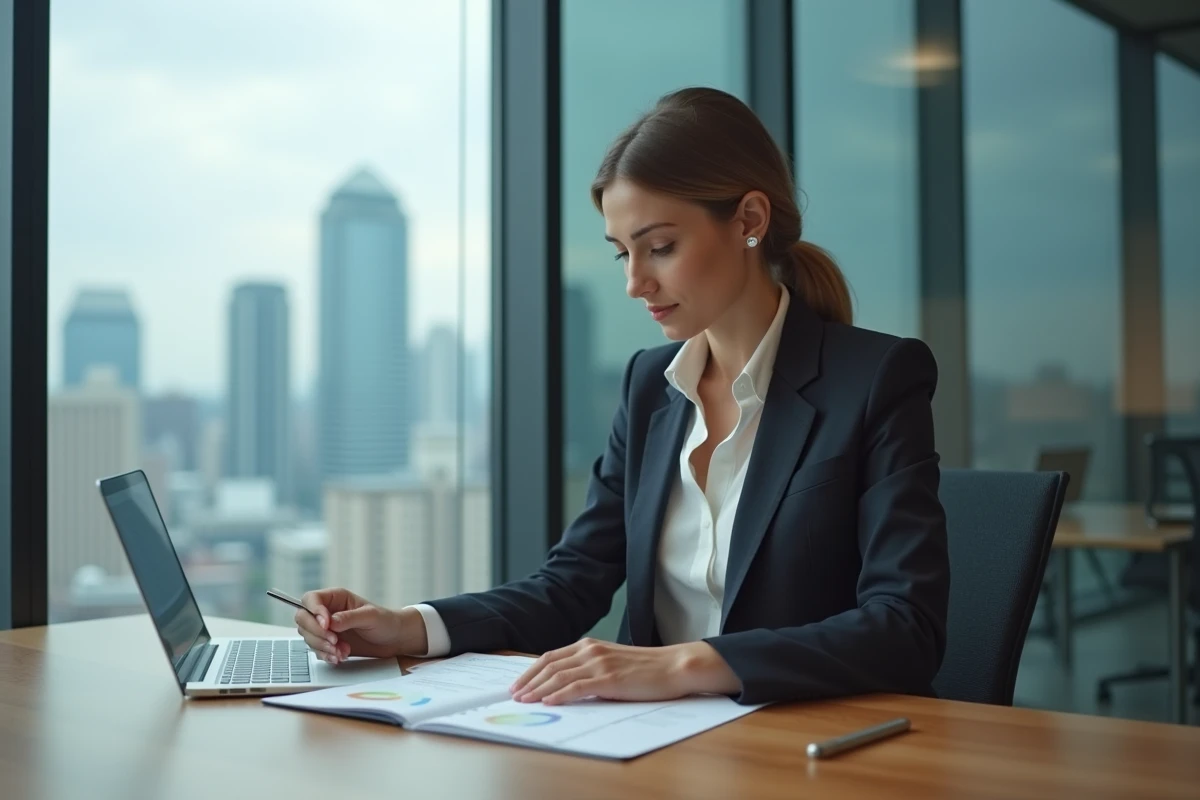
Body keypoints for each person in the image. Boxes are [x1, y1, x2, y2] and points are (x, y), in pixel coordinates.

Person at [296, 87, 950, 708]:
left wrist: (682, 664)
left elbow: (903, 627)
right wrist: (407, 626)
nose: (636, 283)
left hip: (803, 748)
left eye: (660, 247)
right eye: (622, 255)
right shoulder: (649, 387)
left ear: (749, 219)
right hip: (653, 741)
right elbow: (570, 585)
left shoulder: (876, 379)